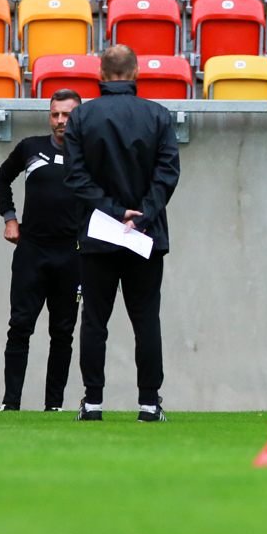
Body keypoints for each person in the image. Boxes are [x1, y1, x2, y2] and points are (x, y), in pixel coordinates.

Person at [64, 45, 181, 422]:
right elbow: (167, 174)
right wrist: (142, 215)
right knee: (146, 320)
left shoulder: (82, 116)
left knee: (94, 321)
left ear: (101, 73)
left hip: (98, 235)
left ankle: (92, 403)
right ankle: (148, 404)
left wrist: (113, 212)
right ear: (136, 73)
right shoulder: (158, 115)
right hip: (145, 236)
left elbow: (76, 177)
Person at [0, 89, 82, 412]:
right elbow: (2, 179)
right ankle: (10, 403)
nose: (60, 120)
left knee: (62, 332)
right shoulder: (31, 147)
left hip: (72, 254)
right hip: (32, 251)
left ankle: (54, 406)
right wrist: (10, 219)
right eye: (55, 114)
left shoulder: (91, 155)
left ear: (79, 117)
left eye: (67, 114)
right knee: (20, 326)